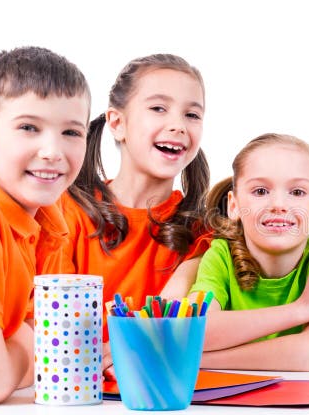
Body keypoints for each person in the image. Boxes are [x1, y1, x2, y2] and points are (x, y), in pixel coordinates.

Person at [0, 47, 89, 411]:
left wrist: (20, 344)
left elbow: (57, 357)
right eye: (29, 127)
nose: (52, 151)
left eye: (71, 132)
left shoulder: (51, 216)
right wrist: (27, 342)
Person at [61, 54, 211, 334]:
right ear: (117, 124)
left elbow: (167, 328)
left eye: (192, 115)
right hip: (74, 374)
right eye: (158, 108)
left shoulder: (200, 233)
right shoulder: (67, 213)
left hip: (149, 375)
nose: (179, 125)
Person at [189, 133, 309, 371]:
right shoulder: (222, 254)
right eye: (260, 191)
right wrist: (302, 309)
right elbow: (193, 330)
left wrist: (196, 361)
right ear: (234, 205)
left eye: (297, 192)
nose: (278, 204)